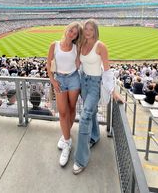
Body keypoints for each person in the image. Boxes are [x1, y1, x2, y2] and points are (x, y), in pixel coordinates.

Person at [73, 19, 124, 175]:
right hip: (83, 81)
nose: (88, 31)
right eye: (86, 29)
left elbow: (107, 71)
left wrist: (113, 91)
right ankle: (94, 136)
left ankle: (81, 159)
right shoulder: (81, 44)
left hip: (95, 84)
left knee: (85, 116)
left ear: (95, 30)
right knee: (92, 111)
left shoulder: (100, 46)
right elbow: (77, 64)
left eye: (91, 29)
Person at [47, 22, 83, 167]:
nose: (72, 34)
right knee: (62, 112)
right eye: (71, 31)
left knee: (71, 108)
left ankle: (66, 136)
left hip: (74, 79)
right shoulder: (54, 45)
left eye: (75, 33)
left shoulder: (77, 47)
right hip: (60, 79)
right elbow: (48, 64)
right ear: (66, 29)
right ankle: (67, 143)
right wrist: (53, 80)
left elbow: (80, 64)